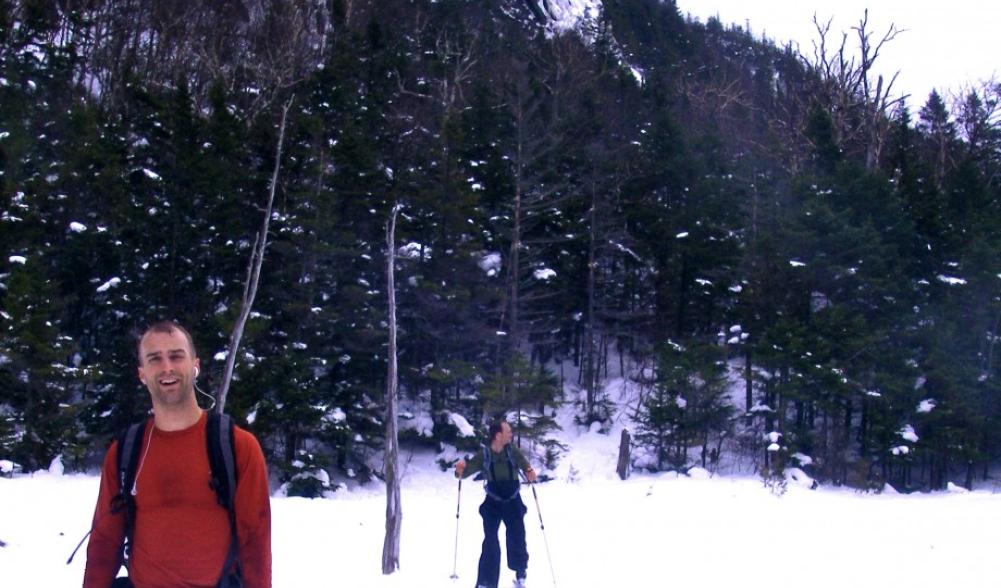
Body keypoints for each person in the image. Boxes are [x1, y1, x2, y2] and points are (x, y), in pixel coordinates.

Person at [83, 321, 272, 588]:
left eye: (176, 356)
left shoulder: (237, 446)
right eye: (155, 359)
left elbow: (255, 543)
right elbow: (104, 542)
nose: (167, 367)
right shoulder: (126, 451)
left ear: (195, 365)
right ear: (142, 374)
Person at [455, 419, 537, 588]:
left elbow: (525, 466)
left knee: (517, 537)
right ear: (498, 435)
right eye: (508, 431)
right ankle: (486, 582)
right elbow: (463, 473)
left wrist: (530, 473)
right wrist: (460, 469)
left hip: (513, 500)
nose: (511, 434)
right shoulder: (484, 455)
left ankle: (520, 574)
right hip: (493, 502)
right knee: (490, 539)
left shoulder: (512, 451)